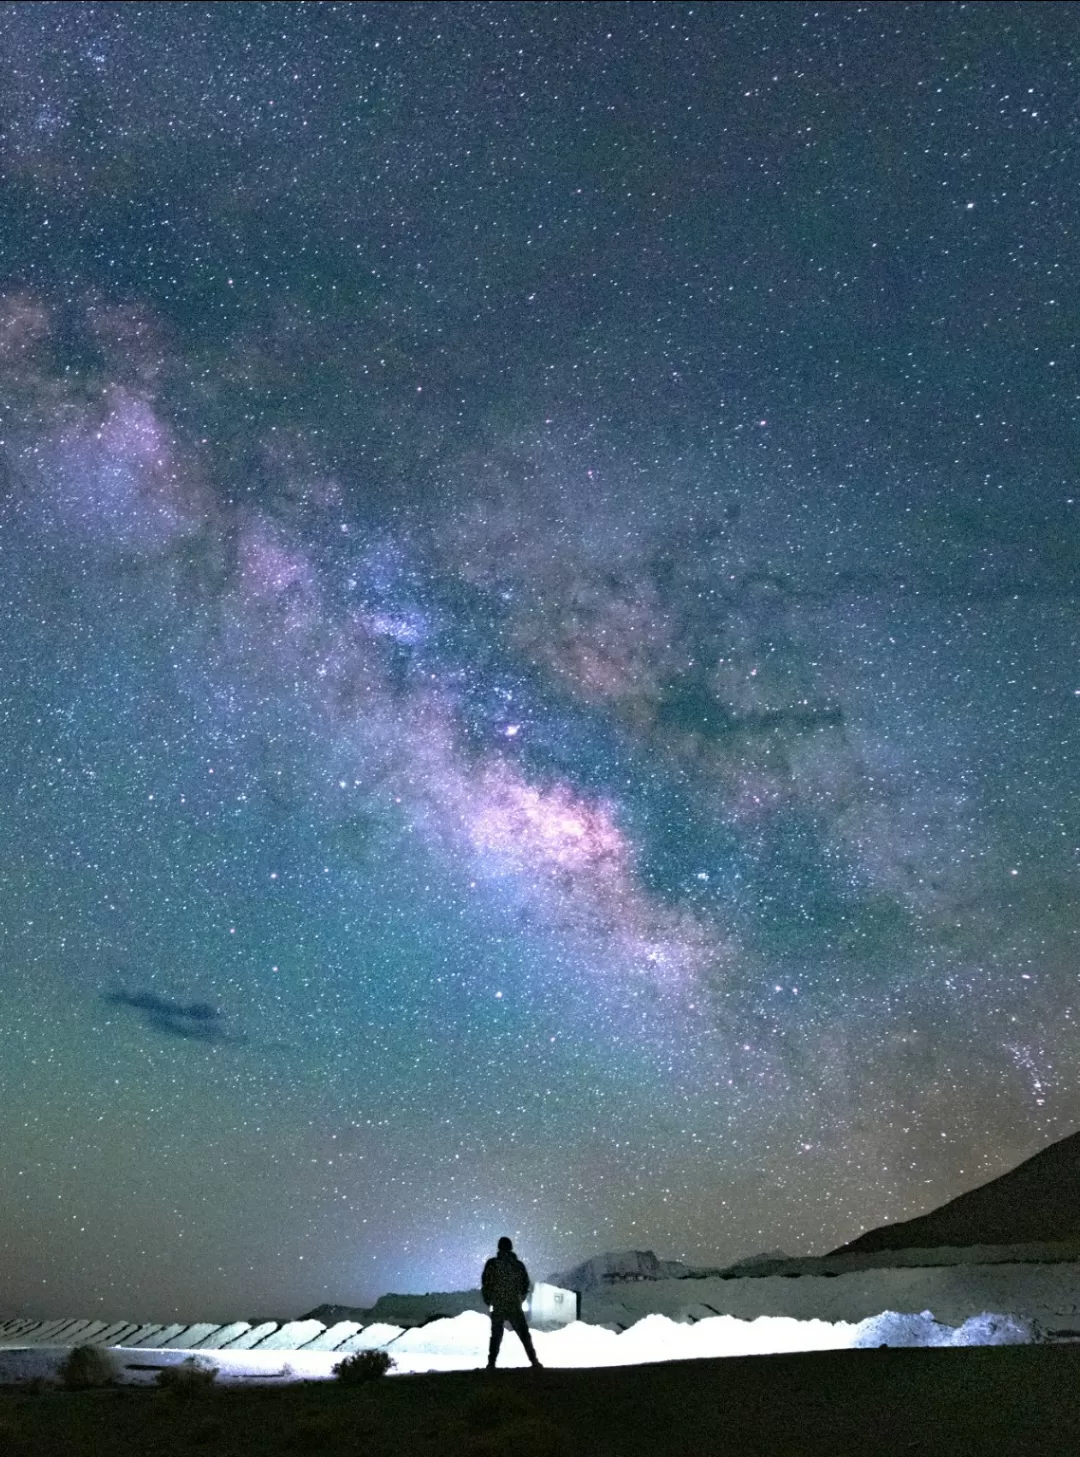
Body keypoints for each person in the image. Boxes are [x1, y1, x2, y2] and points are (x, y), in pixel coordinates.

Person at [481, 1235, 543, 1369]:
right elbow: (525, 1284)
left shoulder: (492, 1264)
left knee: (496, 1336)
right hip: (514, 1304)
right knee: (524, 1335)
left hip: (498, 1304)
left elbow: (486, 1283)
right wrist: (520, 1298)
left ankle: (491, 1363)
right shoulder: (518, 1265)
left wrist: (489, 1300)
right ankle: (534, 1361)